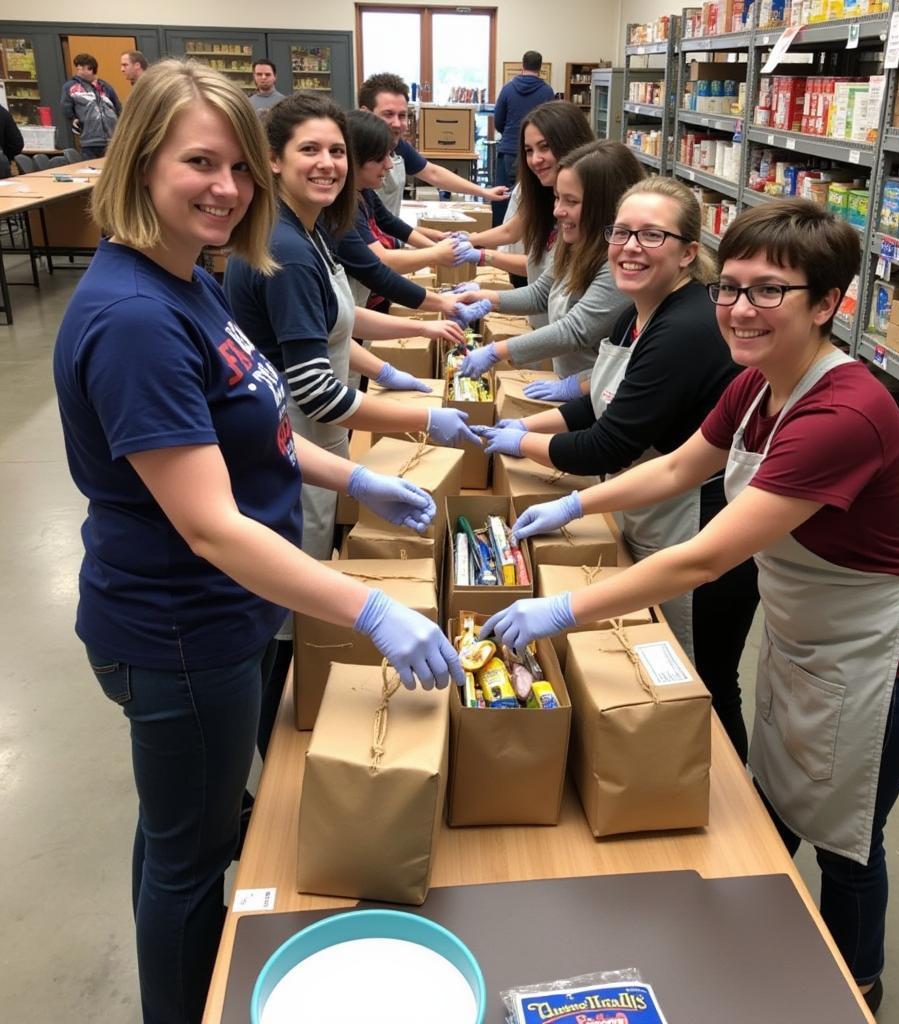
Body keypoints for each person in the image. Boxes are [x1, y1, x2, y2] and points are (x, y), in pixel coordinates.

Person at [53, 60, 463, 1024]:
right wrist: (368, 609)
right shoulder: (137, 319)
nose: (227, 188)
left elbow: (265, 425)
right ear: (139, 161)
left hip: (214, 621)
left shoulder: (185, 279)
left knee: (179, 829)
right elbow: (208, 524)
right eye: (200, 161)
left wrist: (353, 475)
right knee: (192, 866)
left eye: (239, 167)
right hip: (180, 631)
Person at [481, 198, 899, 1015]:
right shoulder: (755, 386)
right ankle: (761, 931)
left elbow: (706, 555)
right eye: (731, 287)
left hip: (884, 658)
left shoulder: (840, 412)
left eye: (769, 290)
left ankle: (855, 984)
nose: (740, 308)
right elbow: (675, 471)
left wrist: (564, 614)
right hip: (806, 635)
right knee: (776, 793)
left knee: (848, 838)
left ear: (827, 304)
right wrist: (574, 506)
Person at [224, 94, 480, 750]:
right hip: (291, 448)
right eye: (309, 150)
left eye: (336, 150)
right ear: (272, 161)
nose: (328, 162)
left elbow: (339, 321)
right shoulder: (285, 246)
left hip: (313, 447)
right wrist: (425, 418)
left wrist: (408, 348)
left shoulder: (307, 231)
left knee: (301, 594)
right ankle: (274, 757)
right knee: (285, 616)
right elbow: (314, 390)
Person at [476, 177, 759, 760]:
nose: (631, 246)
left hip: (702, 522)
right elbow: (603, 402)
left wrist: (523, 450)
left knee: (704, 676)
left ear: (687, 251)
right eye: (622, 232)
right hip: (657, 504)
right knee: (674, 667)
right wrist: (526, 428)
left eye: (652, 235)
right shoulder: (640, 312)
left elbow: (609, 443)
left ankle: (732, 808)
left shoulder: (684, 327)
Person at [454, 138, 642, 378]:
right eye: (557, 197)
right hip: (569, 380)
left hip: (592, 389)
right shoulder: (576, 241)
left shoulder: (621, 263)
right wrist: (482, 300)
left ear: (608, 204)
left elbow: (575, 330)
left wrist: (495, 352)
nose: (557, 211)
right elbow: (541, 293)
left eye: (571, 201)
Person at [452, 100, 594, 319]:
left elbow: (574, 329)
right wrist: (472, 241)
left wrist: (481, 254)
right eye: (529, 150)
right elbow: (539, 281)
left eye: (545, 147)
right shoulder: (541, 191)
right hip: (545, 324)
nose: (536, 159)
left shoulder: (590, 213)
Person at [338, 109, 465, 316]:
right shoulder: (344, 208)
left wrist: (436, 246)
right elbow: (381, 262)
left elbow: (391, 223)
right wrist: (435, 254)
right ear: (354, 158)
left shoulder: (364, 193)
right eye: (381, 158)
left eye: (390, 155)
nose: (389, 165)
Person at [358, 72, 508, 217]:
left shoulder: (398, 147)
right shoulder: (350, 157)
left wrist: (483, 192)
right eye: (388, 114)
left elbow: (433, 173)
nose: (397, 124)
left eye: (402, 115)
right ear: (365, 113)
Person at [492, 50, 554, 225]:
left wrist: (510, 135)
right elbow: (550, 125)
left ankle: (497, 240)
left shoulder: (508, 89)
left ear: (522, 66)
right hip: (537, 154)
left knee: (503, 198)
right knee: (532, 198)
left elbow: (498, 121)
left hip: (509, 151)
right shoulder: (547, 91)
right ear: (540, 68)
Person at [60, 53, 121, 158]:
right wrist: (73, 120)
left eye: (81, 67)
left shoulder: (105, 87)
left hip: (112, 140)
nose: (78, 70)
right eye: (77, 67)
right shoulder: (70, 87)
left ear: (90, 68)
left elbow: (118, 107)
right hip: (89, 140)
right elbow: (66, 107)